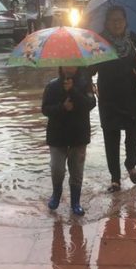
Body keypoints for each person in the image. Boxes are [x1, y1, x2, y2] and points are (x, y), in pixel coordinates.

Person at [95, 6, 136, 192]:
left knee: (134, 135)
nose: (117, 23)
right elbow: (90, 69)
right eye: (113, 20)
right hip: (109, 98)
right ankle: (115, 179)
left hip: (132, 97)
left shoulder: (132, 39)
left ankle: (130, 163)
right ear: (106, 22)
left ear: (126, 21)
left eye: (120, 19)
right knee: (111, 139)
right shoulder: (99, 42)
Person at [41, 66, 96, 215]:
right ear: (60, 66)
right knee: (57, 169)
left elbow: (90, 104)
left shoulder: (86, 84)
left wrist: (73, 91)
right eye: (66, 64)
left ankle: (75, 202)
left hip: (79, 135)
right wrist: (63, 107)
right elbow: (45, 109)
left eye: (73, 64)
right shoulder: (52, 86)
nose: (69, 67)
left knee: (76, 171)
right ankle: (56, 194)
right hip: (57, 136)